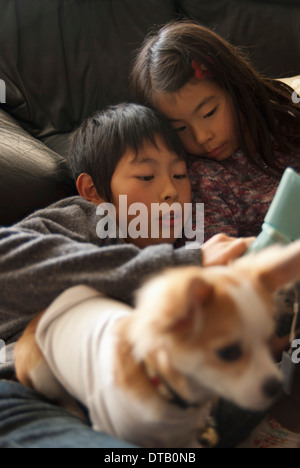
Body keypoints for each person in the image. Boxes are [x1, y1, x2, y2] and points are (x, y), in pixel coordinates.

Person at [0, 103, 253, 448]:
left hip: (144, 396)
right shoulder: (84, 217)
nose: (171, 191)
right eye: (147, 177)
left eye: (180, 175)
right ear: (93, 190)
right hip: (26, 387)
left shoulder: (192, 236)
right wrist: (181, 264)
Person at [130, 20, 300, 241]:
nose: (202, 137)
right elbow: (219, 261)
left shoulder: (284, 124)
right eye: (179, 128)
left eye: (209, 113)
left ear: (236, 87)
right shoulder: (202, 179)